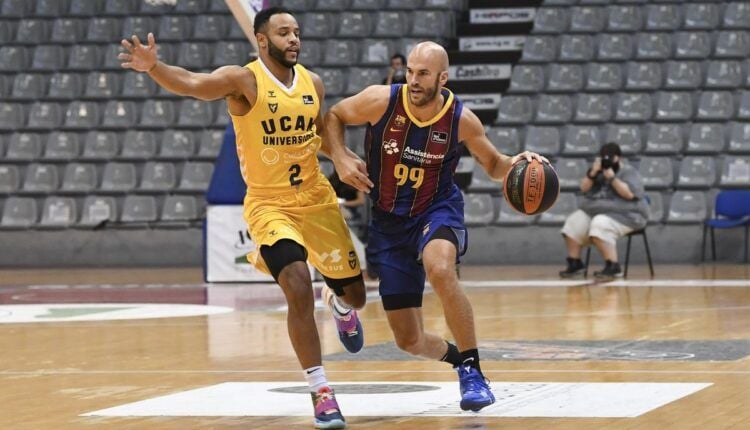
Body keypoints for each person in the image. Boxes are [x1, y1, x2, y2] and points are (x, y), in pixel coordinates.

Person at [119, 7, 366, 429]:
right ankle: (321, 390)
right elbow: (195, 85)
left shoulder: (313, 84)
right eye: (284, 33)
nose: (294, 39)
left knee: (358, 294)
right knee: (297, 283)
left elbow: (320, 132)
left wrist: (340, 155)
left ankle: (341, 305)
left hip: (316, 200)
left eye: (297, 32)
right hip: (270, 204)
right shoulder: (243, 79)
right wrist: (155, 67)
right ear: (263, 40)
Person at [323, 41, 547, 412]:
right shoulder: (380, 100)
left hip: (436, 209)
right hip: (388, 221)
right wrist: (340, 154)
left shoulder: (460, 118)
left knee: (441, 269)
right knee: (408, 340)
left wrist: (518, 163)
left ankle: (473, 369)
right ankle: (455, 359)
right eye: (410, 71)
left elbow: (493, 164)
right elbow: (333, 116)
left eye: (423, 73)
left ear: (443, 77)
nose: (413, 80)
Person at [559, 142, 649, 280]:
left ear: (618, 158)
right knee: (574, 221)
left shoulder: (629, 172)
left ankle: (613, 266)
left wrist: (612, 178)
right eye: (603, 158)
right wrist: (593, 173)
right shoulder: (598, 172)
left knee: (600, 223)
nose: (606, 161)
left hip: (628, 216)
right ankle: (575, 263)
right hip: (597, 211)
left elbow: (629, 195)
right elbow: (584, 189)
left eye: (609, 158)